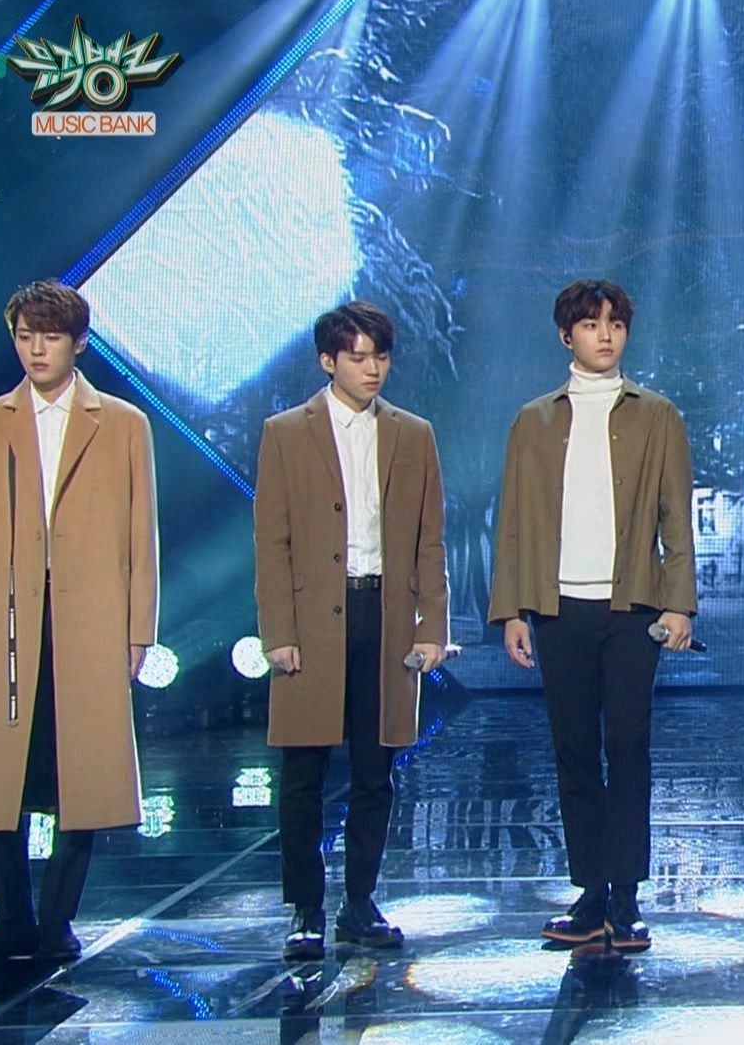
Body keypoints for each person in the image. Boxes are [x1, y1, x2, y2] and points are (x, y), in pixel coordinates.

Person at [0, 278, 159, 971]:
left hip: (90, 618)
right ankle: (13, 921)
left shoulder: (122, 423)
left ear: (79, 343)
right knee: (0, 778)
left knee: (81, 774)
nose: (36, 350)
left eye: (51, 337)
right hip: (5, 621)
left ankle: (58, 921)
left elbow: (141, 533)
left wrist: (138, 629)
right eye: (25, 337)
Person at [488, 278, 698, 953]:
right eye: (590, 324)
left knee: (628, 746)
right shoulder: (534, 420)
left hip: (632, 607)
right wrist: (512, 610)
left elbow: (675, 515)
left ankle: (627, 896)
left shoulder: (657, 415)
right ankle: (591, 892)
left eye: (615, 324)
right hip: (557, 609)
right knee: (574, 749)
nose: (605, 335)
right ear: (566, 335)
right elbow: (513, 521)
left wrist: (679, 602)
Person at [254, 300, 449, 960]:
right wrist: (278, 631)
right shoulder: (286, 432)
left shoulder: (413, 434)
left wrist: (431, 627)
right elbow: (272, 541)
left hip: (385, 616)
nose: (372, 369)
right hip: (312, 620)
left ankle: (359, 902)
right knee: (303, 773)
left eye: (381, 357)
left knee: (376, 769)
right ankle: (305, 909)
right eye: (358, 357)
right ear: (328, 360)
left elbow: (429, 540)